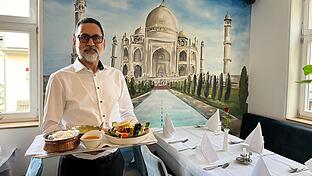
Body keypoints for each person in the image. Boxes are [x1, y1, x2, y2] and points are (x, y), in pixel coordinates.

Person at [42, 17, 138, 176]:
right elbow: (50, 129)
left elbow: (127, 114)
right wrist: (83, 144)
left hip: (113, 162)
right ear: (75, 41)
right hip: (76, 166)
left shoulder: (116, 76)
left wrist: (135, 132)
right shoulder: (59, 79)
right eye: (84, 37)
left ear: (104, 43)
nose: (91, 43)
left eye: (96, 38)